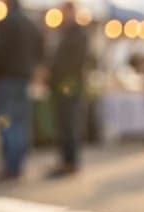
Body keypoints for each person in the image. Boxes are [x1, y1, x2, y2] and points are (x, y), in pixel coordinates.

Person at [0, 0, 42, 181]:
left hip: (6, 81)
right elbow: (40, 49)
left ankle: (9, 166)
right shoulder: (29, 23)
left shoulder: (7, 23)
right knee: (20, 123)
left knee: (5, 122)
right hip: (23, 80)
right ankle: (18, 166)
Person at [46, 1, 89, 177]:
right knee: (64, 125)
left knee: (69, 124)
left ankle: (70, 162)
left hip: (69, 87)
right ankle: (66, 160)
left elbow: (72, 63)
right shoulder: (65, 33)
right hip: (63, 86)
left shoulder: (77, 34)